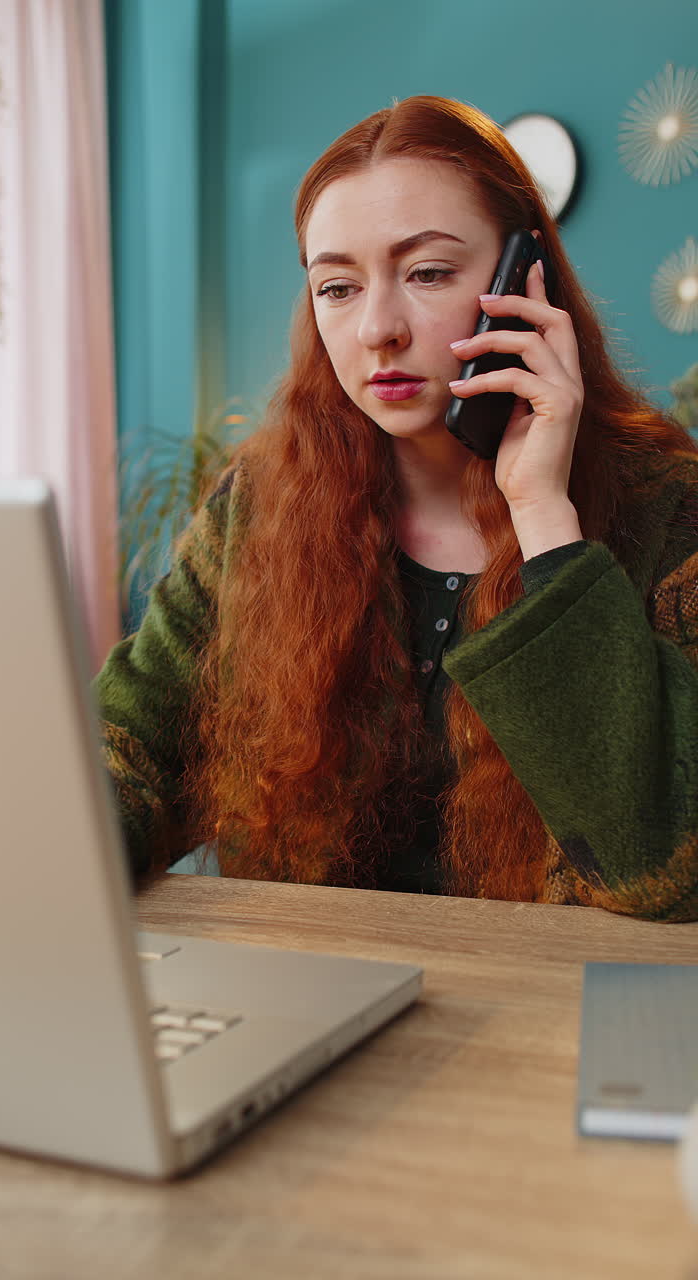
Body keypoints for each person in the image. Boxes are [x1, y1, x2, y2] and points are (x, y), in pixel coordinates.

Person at [94, 95, 698, 919]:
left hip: (558, 1020)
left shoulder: (670, 509)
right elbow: (127, 756)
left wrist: (544, 515)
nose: (376, 328)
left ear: (526, 278)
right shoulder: (261, 508)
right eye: (336, 287)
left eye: (427, 273)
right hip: (308, 1003)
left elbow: (663, 871)